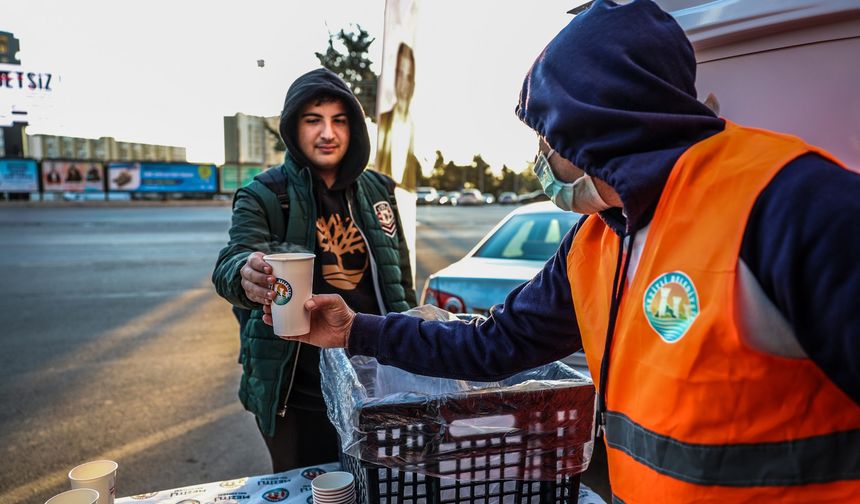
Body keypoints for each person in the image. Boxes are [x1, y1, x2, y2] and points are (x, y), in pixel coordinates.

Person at [263, 1, 860, 501]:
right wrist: (355, 330)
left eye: (551, 136)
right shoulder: (598, 238)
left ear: (601, 120)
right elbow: (492, 344)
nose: (543, 159)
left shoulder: (791, 202)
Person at [212, 67, 416, 472]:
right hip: (297, 393)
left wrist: (412, 351)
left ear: (354, 127)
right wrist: (245, 275)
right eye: (313, 120)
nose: (328, 133)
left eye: (339, 120)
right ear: (293, 128)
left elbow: (400, 279)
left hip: (376, 384)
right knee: (309, 492)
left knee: (379, 490)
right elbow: (231, 261)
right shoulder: (265, 194)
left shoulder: (381, 191)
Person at [375, 42, 420, 191]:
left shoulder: (414, 128)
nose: (402, 83)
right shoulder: (383, 121)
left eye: (407, 76)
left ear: (413, 83)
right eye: (399, 73)